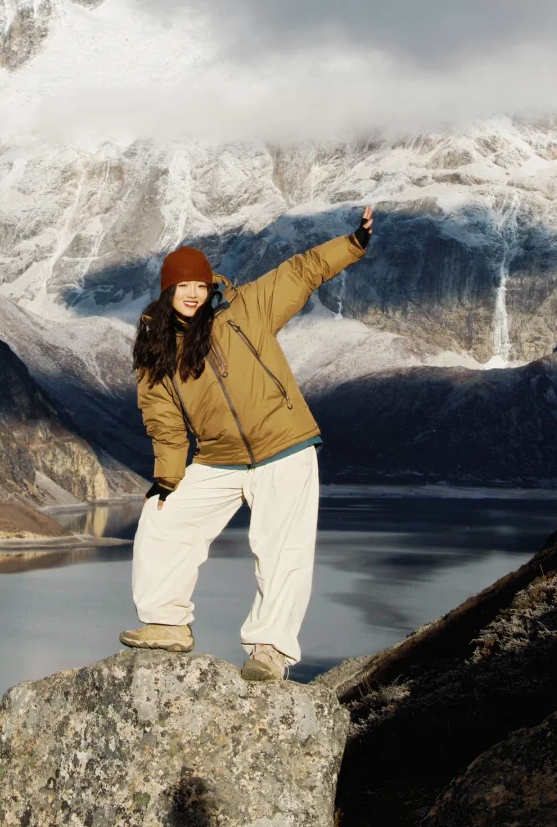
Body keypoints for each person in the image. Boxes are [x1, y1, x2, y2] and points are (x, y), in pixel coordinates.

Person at [119, 207, 374, 682]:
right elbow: (165, 421)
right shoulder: (156, 347)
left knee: (281, 549)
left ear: (207, 284)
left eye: (199, 285)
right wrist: (168, 478)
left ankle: (270, 650)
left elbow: (302, 271)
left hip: (285, 445)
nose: (193, 294)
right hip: (220, 457)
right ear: (168, 290)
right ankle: (167, 623)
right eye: (183, 286)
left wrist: (353, 244)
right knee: (162, 521)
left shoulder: (246, 307)